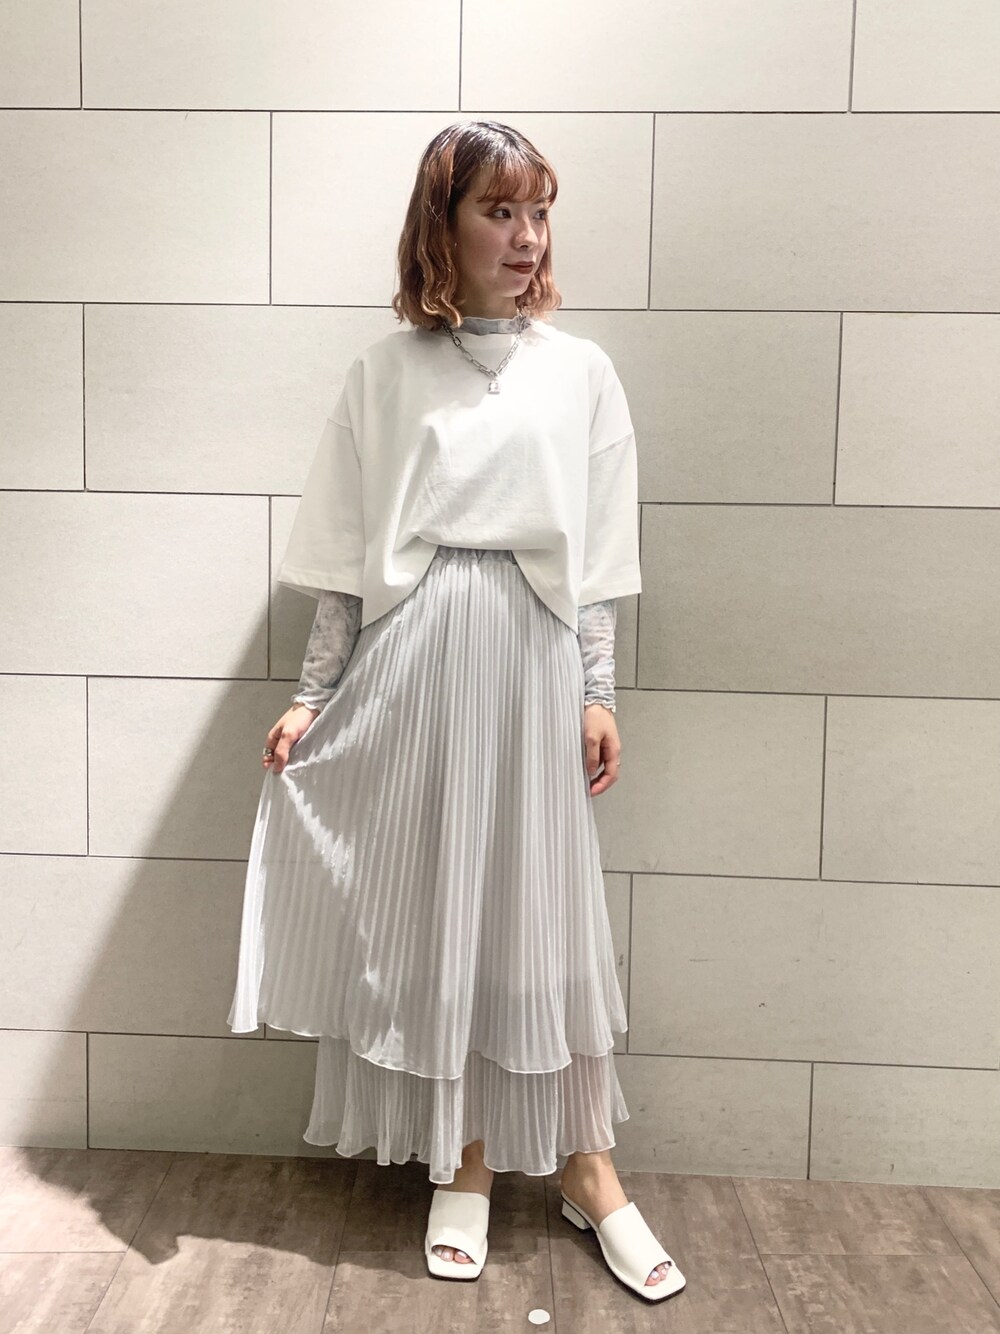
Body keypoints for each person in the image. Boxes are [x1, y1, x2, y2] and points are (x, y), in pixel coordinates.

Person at [227, 120, 685, 1303]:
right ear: (444, 223)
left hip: (532, 660)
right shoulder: (384, 373)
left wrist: (597, 690)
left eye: (537, 211)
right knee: (441, 913)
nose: (526, 237)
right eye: (497, 209)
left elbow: (596, 554)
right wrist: (311, 692)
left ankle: (587, 1166)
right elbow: (345, 554)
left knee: (543, 910)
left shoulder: (580, 372)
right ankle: (466, 1158)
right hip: (416, 661)